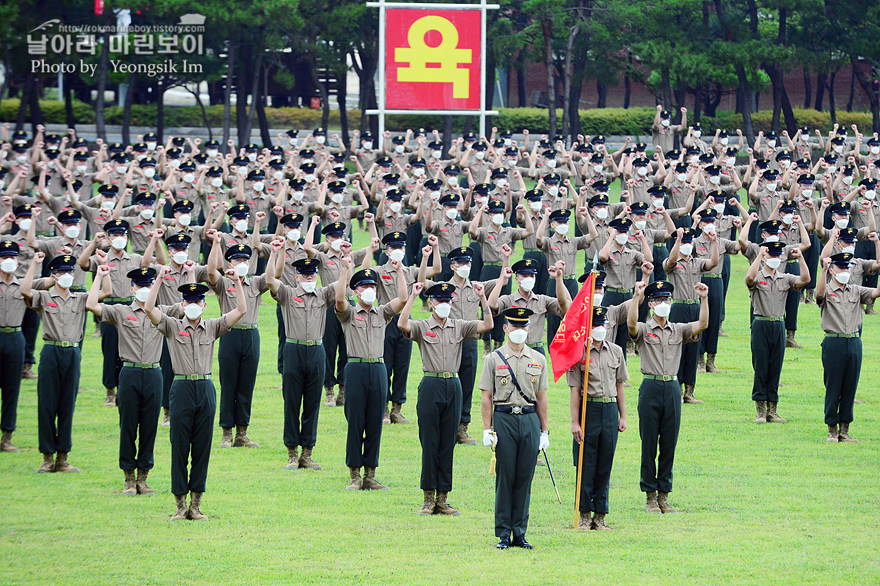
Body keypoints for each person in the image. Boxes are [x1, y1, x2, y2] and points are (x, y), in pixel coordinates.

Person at [144, 274, 246, 521]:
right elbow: (148, 308)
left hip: (206, 388)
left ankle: (196, 504)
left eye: (197, 301)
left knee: (202, 448)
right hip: (181, 389)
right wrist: (158, 279)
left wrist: (239, 283)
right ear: (181, 304)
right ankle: (180, 504)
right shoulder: (172, 325)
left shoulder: (211, 326)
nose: (192, 304)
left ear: (204, 305)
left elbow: (241, 310)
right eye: (187, 300)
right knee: (179, 447)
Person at [398, 281, 493, 516]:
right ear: (431, 303)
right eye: (440, 301)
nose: (445, 305)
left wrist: (482, 298)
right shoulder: (422, 326)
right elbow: (402, 324)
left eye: (448, 301)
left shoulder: (459, 326)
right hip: (431, 384)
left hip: (454, 384)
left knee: (448, 443)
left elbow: (488, 324)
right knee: (429, 441)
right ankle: (428, 499)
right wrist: (412, 296)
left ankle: (443, 498)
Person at [86, 267, 182, 494]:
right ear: (132, 288)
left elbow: (186, 305)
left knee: (149, 427)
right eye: (140, 286)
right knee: (128, 426)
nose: (144, 290)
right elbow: (91, 305)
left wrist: (183, 275)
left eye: (148, 286)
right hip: (129, 373)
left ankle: (143, 477)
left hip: (153, 374)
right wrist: (99, 276)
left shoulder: (161, 312)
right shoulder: (120, 311)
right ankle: (129, 477)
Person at [22, 253, 110, 473]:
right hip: (51, 351)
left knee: (67, 404)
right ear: (54, 275)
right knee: (47, 405)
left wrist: (101, 271)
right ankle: (47, 457)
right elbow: (24, 290)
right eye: (62, 272)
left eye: (70, 272)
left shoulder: (80, 298)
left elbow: (106, 292)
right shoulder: (44, 296)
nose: (67, 276)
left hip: (72, 353)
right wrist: (35, 264)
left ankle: (63, 457)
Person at [628, 279, 708, 514]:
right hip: (650, 386)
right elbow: (631, 324)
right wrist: (636, 297)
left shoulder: (678, 329)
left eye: (667, 300)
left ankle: (664, 495)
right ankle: (650, 496)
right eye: (660, 300)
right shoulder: (645, 329)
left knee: (669, 444)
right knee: (649, 443)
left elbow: (702, 324)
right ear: (651, 304)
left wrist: (703, 299)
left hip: (672, 387)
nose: (665, 304)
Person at [479, 307, 549, 548]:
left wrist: (544, 431)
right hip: (504, 418)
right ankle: (503, 533)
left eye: (523, 327)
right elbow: (486, 397)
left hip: (529, 418)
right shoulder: (493, 358)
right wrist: (487, 429)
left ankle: (519, 531)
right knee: (506, 476)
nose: (519, 331)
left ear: (529, 329)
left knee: (524, 477)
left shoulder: (538, 359)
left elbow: (542, 397)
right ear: (505, 328)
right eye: (514, 327)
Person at [335, 261, 406, 490]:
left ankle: (370, 474)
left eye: (373, 287)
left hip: (378, 369)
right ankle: (354, 474)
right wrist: (345, 270)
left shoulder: (382, 313)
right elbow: (338, 300)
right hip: (355, 368)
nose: (370, 291)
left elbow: (403, 300)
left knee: (376, 421)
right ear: (356, 291)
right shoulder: (349, 314)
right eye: (364, 287)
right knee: (356, 421)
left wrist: (400, 271)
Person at [266, 253, 337, 470]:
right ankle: (292, 453)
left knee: (313, 403)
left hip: (316, 350)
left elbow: (343, 285)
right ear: (296, 277)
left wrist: (345, 261)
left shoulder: (323, 294)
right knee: (292, 402)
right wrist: (272, 254)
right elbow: (270, 280)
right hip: (294, 349)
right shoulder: (287, 294)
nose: (309, 278)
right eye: (304, 275)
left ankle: (307, 453)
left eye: (312, 274)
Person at [205, 236, 270, 449]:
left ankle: (242, 432)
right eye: (237, 260)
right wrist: (215, 244)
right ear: (230, 263)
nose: (242, 264)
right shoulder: (224, 284)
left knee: (246, 384)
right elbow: (212, 272)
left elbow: (273, 276)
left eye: (245, 260)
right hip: (230, 334)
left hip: (251, 335)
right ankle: (226, 432)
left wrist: (275, 252)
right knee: (229, 383)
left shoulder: (255, 282)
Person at [568, 306, 628, 530]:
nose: (599, 329)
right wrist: (575, 422)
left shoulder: (616, 351)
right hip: (588, 409)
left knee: (605, 463)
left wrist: (623, 416)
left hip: (610, 410)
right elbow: (575, 390)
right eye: (595, 325)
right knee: (586, 463)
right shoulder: (579, 353)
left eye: (602, 325)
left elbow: (620, 385)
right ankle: (584, 513)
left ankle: (600, 514)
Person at [815, 252, 879, 443]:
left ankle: (844, 429)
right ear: (833, 270)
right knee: (833, 387)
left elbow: (875, 293)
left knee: (850, 387)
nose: (845, 271)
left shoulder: (856, 290)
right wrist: (824, 271)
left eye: (847, 267)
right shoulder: (827, 288)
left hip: (854, 341)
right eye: (841, 267)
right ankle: (832, 429)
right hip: (834, 341)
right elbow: (818, 295)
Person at [745, 241, 809, 423]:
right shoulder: (758, 276)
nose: (774, 259)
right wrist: (759, 256)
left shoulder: (785, 278)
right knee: (761, 366)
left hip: (778, 325)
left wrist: (801, 257)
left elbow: (805, 280)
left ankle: (772, 409)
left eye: (777, 256)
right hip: (761, 324)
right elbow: (749, 279)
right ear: (766, 257)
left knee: (775, 367)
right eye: (771, 255)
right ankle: (759, 409)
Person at [0, 241, 27, 452]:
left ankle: (7, 435)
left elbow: (47, 283)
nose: (8, 261)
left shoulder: (23, 285)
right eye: (3, 257)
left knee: (12, 388)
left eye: (12, 257)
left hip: (15, 337)